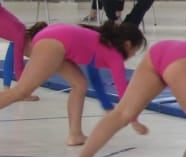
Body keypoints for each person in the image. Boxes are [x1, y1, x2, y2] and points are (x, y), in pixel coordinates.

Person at [0, 22, 148, 147]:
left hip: (55, 39)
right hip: (53, 42)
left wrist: (108, 106)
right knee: (22, 91)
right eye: (135, 51)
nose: (133, 55)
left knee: (79, 84)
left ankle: (75, 135)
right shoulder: (114, 56)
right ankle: (75, 134)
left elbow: (95, 79)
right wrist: (134, 120)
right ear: (127, 45)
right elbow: (122, 91)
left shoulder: (103, 45)